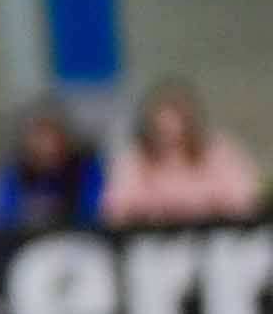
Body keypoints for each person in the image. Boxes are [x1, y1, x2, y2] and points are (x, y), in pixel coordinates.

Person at [106, 81, 262, 225]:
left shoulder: (220, 152)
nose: (171, 135)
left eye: (179, 128)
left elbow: (246, 200)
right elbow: (115, 210)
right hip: (150, 241)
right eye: (162, 131)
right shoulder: (133, 160)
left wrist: (205, 210)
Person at [0, 96, 109, 229]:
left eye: (54, 134)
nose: (49, 144)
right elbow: (0, 219)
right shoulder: (14, 173)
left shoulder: (85, 168)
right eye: (41, 135)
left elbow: (98, 212)